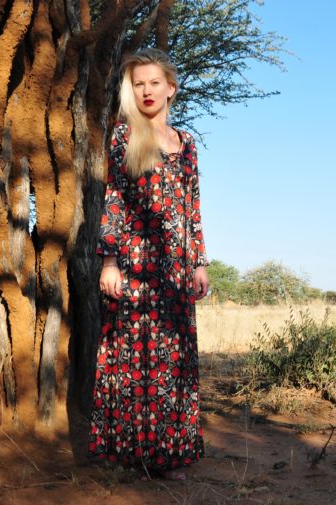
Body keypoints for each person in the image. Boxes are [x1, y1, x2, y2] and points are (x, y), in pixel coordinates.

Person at [89, 48, 209, 480]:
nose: (146, 91)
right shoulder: (124, 137)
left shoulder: (188, 144)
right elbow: (114, 202)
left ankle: (171, 455)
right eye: (138, 84)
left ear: (170, 88)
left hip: (177, 269)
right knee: (137, 361)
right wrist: (109, 262)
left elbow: (191, 208)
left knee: (174, 360)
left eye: (154, 82)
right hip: (136, 265)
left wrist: (199, 263)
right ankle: (135, 456)